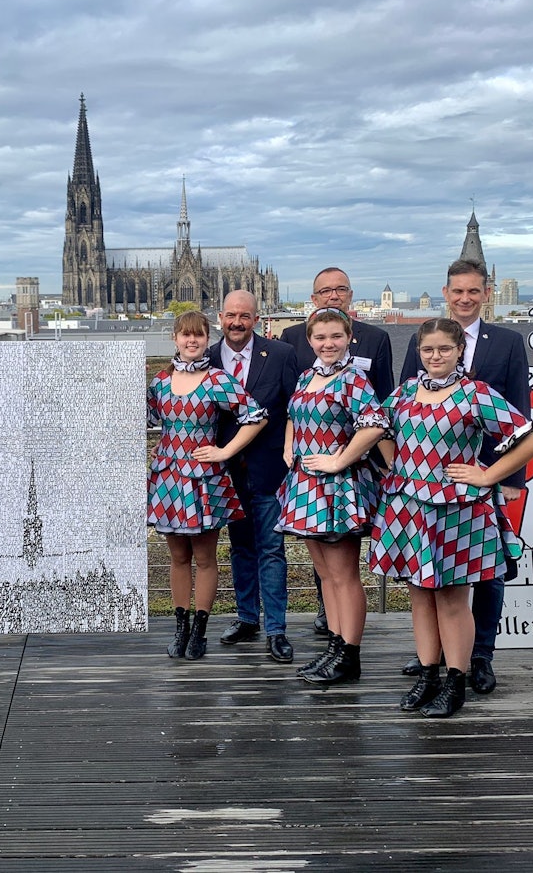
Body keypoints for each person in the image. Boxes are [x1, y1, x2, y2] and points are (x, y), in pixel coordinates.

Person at [374, 319, 533, 717]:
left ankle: (456, 681)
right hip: (410, 507)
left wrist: (486, 475)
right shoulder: (404, 394)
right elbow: (376, 428)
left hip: (458, 510)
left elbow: (530, 438)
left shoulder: (475, 394)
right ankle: (428, 675)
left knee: (452, 600)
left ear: (458, 352)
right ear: (419, 352)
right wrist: (395, 463)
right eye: (428, 350)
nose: (436, 357)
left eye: (444, 350)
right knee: (418, 596)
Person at [396, 259, 531, 694]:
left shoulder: (507, 342)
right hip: (424, 485)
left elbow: (521, 416)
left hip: (481, 477)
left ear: (486, 293)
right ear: (446, 292)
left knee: (486, 572)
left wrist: (500, 476)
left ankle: (481, 657)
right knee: (429, 575)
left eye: (474, 291)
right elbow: (397, 417)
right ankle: (432, 660)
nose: (465, 298)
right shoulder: (425, 339)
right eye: (458, 291)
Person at [276, 309, 390, 684]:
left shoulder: (354, 378)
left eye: (336, 337)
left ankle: (350, 656)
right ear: (310, 340)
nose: (328, 344)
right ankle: (336, 647)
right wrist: (289, 446)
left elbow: (375, 425)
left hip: (339, 487)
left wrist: (340, 458)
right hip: (307, 485)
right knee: (325, 574)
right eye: (321, 338)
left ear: (348, 337)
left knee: (344, 575)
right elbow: (293, 414)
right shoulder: (309, 376)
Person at [148, 311, 266, 660]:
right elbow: (142, 416)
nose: (191, 341)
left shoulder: (218, 380)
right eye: (185, 335)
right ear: (175, 338)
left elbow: (256, 416)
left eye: (198, 335)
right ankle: (180, 626)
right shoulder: (160, 381)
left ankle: (200, 628)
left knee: (204, 558)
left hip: (203, 477)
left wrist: (225, 451)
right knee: (178, 557)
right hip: (168, 477)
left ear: (206, 340)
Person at [209, 290, 299, 663]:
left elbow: (295, 407)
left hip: (268, 470)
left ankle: (276, 630)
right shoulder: (207, 357)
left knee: (271, 550)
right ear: (220, 317)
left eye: (244, 316)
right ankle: (247, 618)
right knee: (240, 549)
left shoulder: (280, 355)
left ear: (256, 320)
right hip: (223, 474)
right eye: (231, 315)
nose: (237, 322)